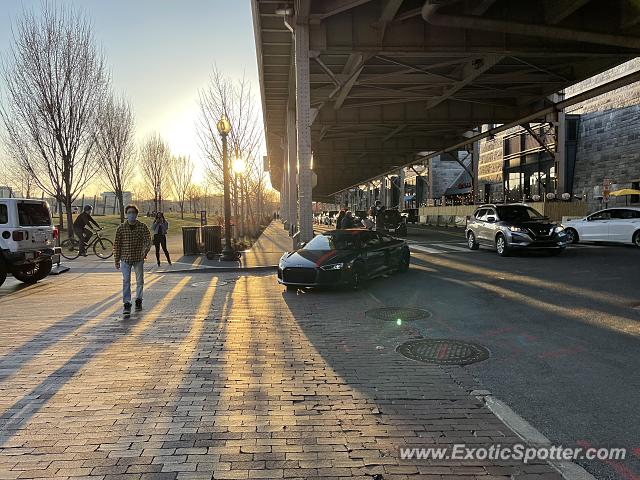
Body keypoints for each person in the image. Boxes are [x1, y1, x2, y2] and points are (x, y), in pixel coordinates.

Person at [113, 204, 152, 315]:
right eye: (129, 212)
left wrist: (144, 251)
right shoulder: (121, 228)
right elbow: (117, 244)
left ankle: (139, 299)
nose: (131, 215)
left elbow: (148, 240)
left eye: (133, 213)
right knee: (126, 281)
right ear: (126, 214)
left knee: (140, 280)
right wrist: (116, 259)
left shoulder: (142, 226)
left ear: (136, 214)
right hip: (125, 258)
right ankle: (127, 302)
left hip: (138, 257)